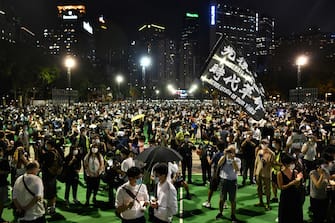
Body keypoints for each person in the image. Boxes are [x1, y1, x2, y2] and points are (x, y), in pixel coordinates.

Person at [215, 145, 241, 222]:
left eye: (231, 151)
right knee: (222, 199)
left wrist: (232, 159)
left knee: (233, 200)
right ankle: (220, 212)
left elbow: (237, 169)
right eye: (229, 151)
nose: (230, 152)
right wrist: (225, 155)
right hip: (224, 180)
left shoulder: (237, 160)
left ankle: (233, 215)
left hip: (233, 181)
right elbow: (219, 164)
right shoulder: (224, 158)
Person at [277, 153, 304, 223]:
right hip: (285, 197)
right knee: (286, 216)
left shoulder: (295, 172)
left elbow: (297, 186)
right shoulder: (280, 173)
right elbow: (281, 187)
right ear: (285, 163)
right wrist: (292, 183)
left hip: (295, 195)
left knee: (296, 215)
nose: (293, 164)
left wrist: (299, 180)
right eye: (291, 163)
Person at [40, 138, 63, 215]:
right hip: (54, 174)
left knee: (47, 193)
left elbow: (42, 162)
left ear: (50, 145)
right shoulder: (57, 152)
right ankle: (52, 208)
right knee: (52, 192)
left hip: (47, 175)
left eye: (47, 144)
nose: (45, 145)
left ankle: (48, 208)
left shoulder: (48, 154)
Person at [254, 139, 275, 211]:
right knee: (259, 188)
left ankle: (268, 204)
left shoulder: (271, 153)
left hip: (266, 173)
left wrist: (267, 156)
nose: (263, 144)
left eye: (265, 143)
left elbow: (272, 163)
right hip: (258, 172)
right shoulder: (259, 151)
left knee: (267, 189)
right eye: (262, 143)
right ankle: (261, 202)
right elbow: (256, 162)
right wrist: (255, 172)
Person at [309, 158, 330, 223]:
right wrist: (321, 175)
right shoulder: (313, 173)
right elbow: (317, 185)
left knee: (323, 215)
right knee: (316, 216)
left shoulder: (326, 171)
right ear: (318, 165)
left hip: (324, 195)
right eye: (323, 164)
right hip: (316, 197)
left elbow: (328, 180)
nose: (325, 166)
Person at [0, 147, 10, 223]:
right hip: (3, 184)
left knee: (2, 203)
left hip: (3, 184)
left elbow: (7, 172)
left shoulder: (4, 161)